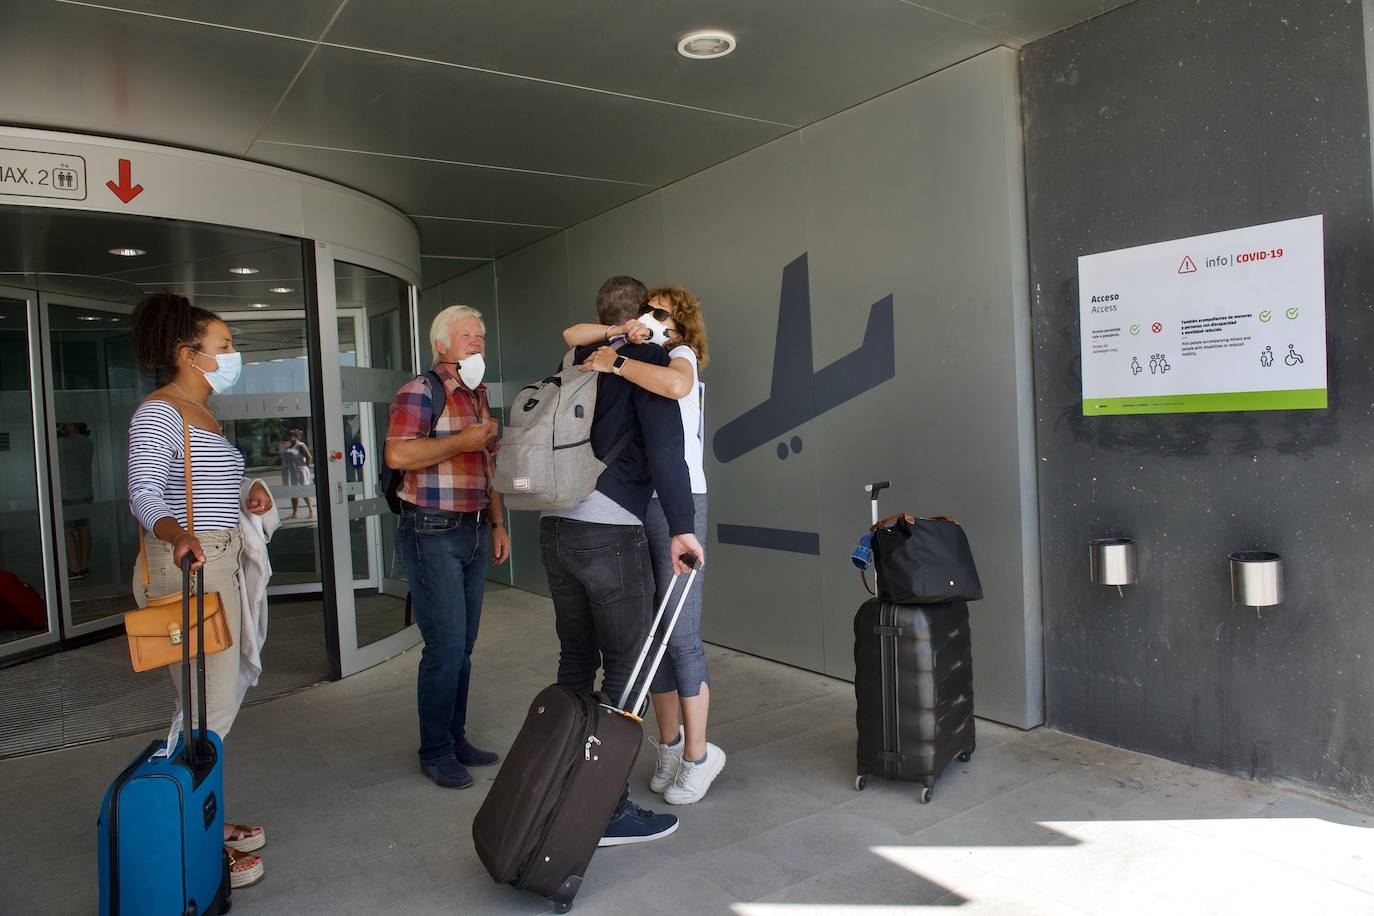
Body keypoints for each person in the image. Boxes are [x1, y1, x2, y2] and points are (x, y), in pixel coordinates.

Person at [542, 275, 705, 846]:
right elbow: (666, 453)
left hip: (555, 526)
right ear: (643, 317)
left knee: (575, 663)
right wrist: (682, 530)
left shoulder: (581, 356)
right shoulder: (641, 361)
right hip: (608, 531)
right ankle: (603, 809)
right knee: (627, 671)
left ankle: (555, 785)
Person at [127, 292, 279, 890]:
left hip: (216, 562)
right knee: (206, 707)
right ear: (189, 354)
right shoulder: (159, 412)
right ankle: (186, 833)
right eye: (224, 345)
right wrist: (178, 535)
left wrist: (249, 497)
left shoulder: (204, 414)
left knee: (212, 700)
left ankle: (197, 814)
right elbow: (146, 496)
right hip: (185, 569)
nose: (232, 353)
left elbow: (208, 490)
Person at [384, 305, 511, 790]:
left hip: (476, 529)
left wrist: (498, 524)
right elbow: (397, 453)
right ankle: (435, 750)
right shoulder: (420, 391)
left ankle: (454, 739)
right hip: (431, 530)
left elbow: (490, 469)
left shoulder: (479, 395)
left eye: (481, 335)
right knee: (446, 647)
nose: (477, 342)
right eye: (466, 336)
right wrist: (462, 441)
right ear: (442, 344)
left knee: (465, 646)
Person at [58, 422, 96, 578]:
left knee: (68, 531)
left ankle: (74, 568)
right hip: (85, 491)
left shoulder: (62, 443)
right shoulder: (87, 442)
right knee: (84, 527)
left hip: (67, 493)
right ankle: (84, 564)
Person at [279, 428, 314, 518]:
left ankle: (311, 510)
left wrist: (305, 467)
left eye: (291, 436)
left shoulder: (300, 445)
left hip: (299, 471)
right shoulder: (289, 446)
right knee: (293, 491)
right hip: (291, 471)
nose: (289, 438)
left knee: (303, 491)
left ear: (295, 436)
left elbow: (309, 457)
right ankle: (295, 512)